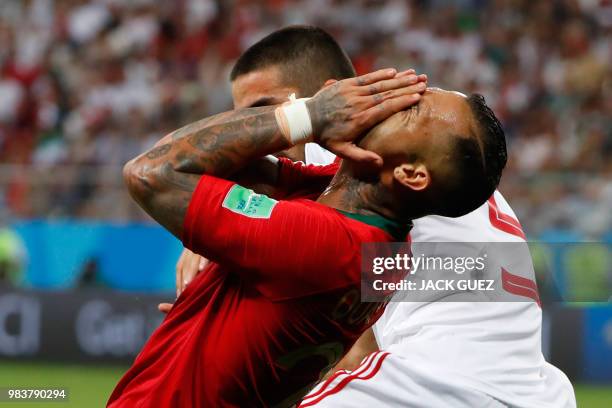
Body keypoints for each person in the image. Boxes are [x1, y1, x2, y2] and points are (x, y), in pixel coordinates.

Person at [169, 26, 575, 408]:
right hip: (531, 390)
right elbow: (356, 345)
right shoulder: (426, 163)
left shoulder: (356, 142)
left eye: (263, 110)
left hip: (440, 380)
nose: (255, 130)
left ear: (328, 95)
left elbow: (190, 167)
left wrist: (203, 246)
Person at [109, 43, 506, 408]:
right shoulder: (373, 232)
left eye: (414, 108)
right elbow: (240, 173)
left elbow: (150, 171)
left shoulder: (328, 242)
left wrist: (310, 115)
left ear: (410, 173)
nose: (396, 98)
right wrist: (217, 308)